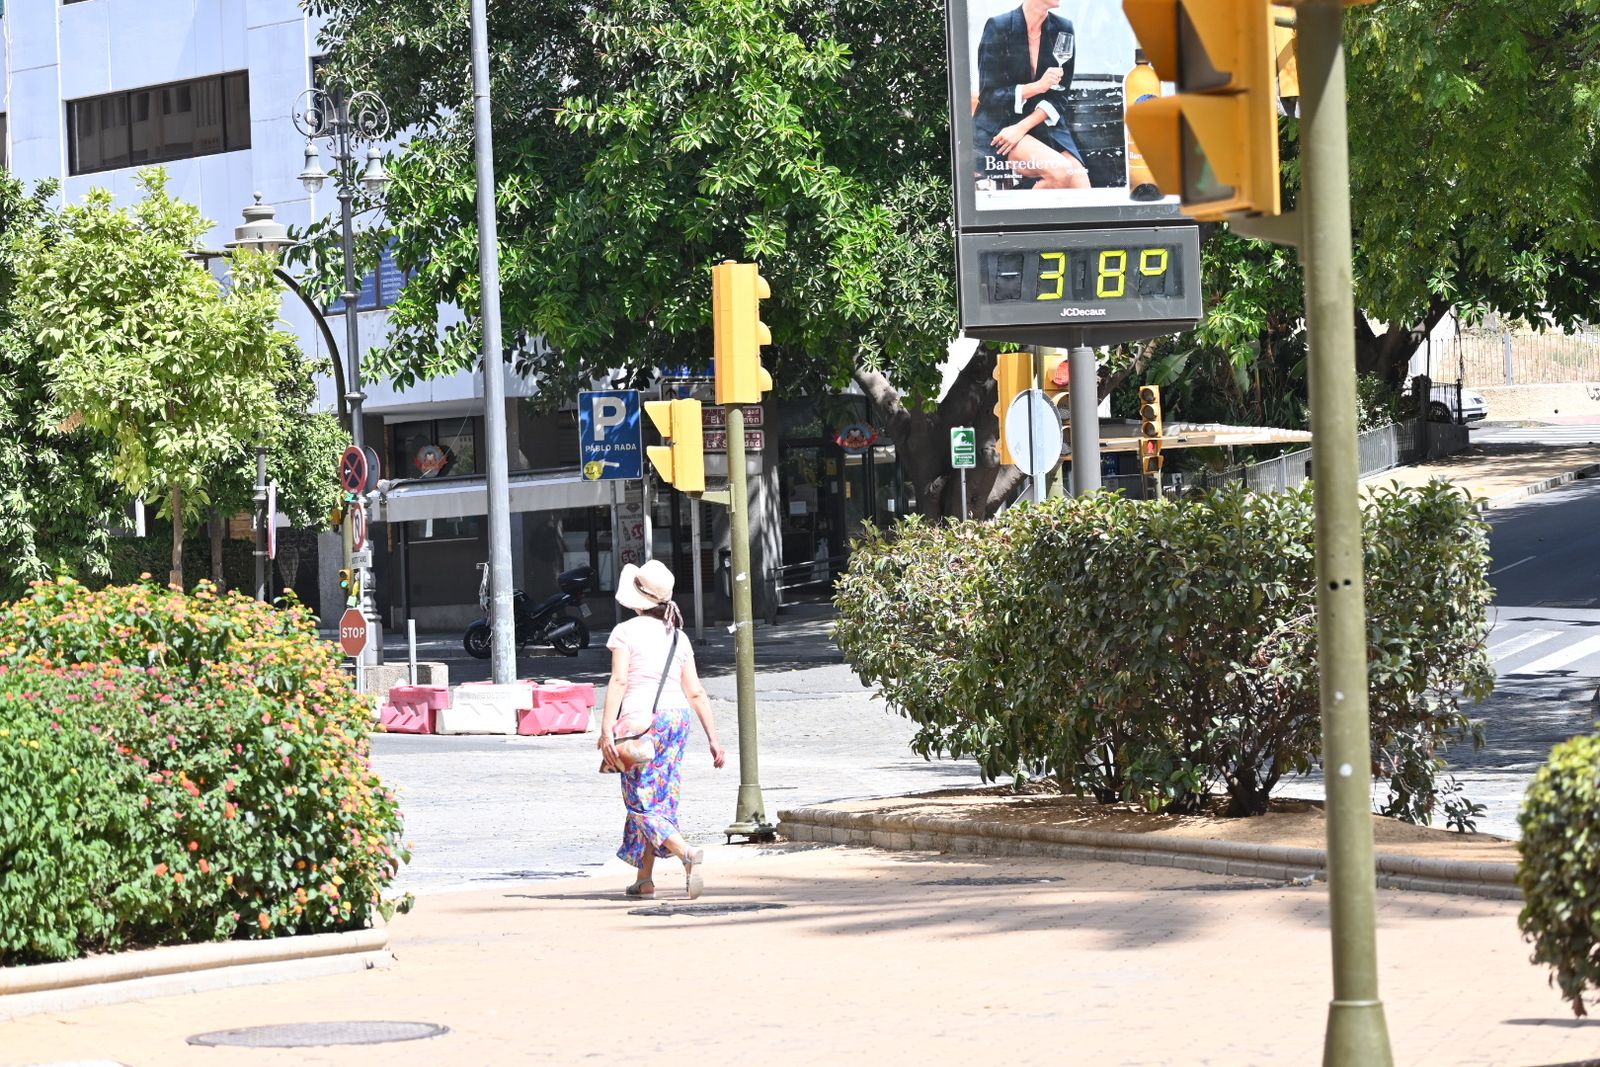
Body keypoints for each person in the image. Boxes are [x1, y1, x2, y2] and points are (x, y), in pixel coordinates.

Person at [599, 559, 727, 899]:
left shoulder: (625, 632)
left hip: (643, 722)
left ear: (637, 600)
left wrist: (606, 728)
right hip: (677, 720)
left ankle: (686, 853)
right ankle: (645, 879)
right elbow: (696, 691)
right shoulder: (679, 637)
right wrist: (714, 739)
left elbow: (619, 680)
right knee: (661, 796)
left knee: (640, 803)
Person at [973, 0, 1090, 190]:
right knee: (1059, 171)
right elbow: (989, 96)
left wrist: (1022, 126)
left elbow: (1060, 96)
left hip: (1040, 124)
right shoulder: (999, 26)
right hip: (1002, 124)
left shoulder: (1063, 28)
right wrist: (1036, 87)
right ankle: (1015, 217)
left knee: (1079, 182)